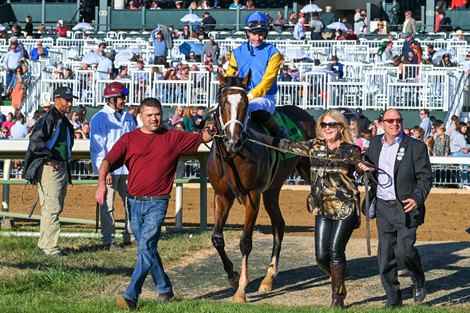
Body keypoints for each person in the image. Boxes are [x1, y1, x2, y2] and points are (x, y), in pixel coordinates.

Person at [95, 97, 212, 310]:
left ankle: (131, 295)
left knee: (146, 246)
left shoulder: (173, 137)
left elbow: (202, 137)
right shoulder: (129, 139)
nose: (154, 119)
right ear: (140, 117)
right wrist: (101, 184)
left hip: (157, 203)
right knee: (147, 248)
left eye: (157, 114)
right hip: (133, 202)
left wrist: (213, 130)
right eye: (149, 115)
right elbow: (107, 161)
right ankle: (165, 289)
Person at [359, 109, 432, 308]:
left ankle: (418, 279)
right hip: (383, 206)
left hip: (406, 207)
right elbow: (369, 166)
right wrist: (365, 167)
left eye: (398, 120)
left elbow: (425, 178)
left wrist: (417, 198)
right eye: (390, 120)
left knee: (404, 252)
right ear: (382, 124)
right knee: (385, 257)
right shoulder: (375, 143)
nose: (394, 124)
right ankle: (393, 298)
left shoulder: (416, 147)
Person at [23, 86, 77, 257]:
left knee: (55, 207)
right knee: (52, 207)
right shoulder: (49, 118)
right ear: (56, 100)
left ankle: (45, 244)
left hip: (60, 167)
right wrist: (48, 158)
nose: (70, 103)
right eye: (66, 100)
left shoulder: (62, 120)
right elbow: (35, 141)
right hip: (50, 169)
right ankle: (49, 248)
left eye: (71, 100)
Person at [225, 12, 288, 140]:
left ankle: (279, 134)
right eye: (254, 33)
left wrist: (250, 96)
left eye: (261, 34)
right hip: (241, 96)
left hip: (264, 97)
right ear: (248, 33)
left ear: (265, 34)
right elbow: (229, 75)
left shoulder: (274, 54)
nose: (258, 38)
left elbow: (267, 82)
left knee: (251, 107)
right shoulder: (237, 52)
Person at [90, 82, 137, 250]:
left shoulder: (128, 117)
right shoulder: (100, 118)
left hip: (127, 169)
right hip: (110, 169)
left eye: (124, 97)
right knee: (108, 206)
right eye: (121, 97)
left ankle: (130, 236)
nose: (124, 100)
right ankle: (108, 241)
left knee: (132, 203)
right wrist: (103, 171)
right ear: (111, 99)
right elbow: (97, 148)